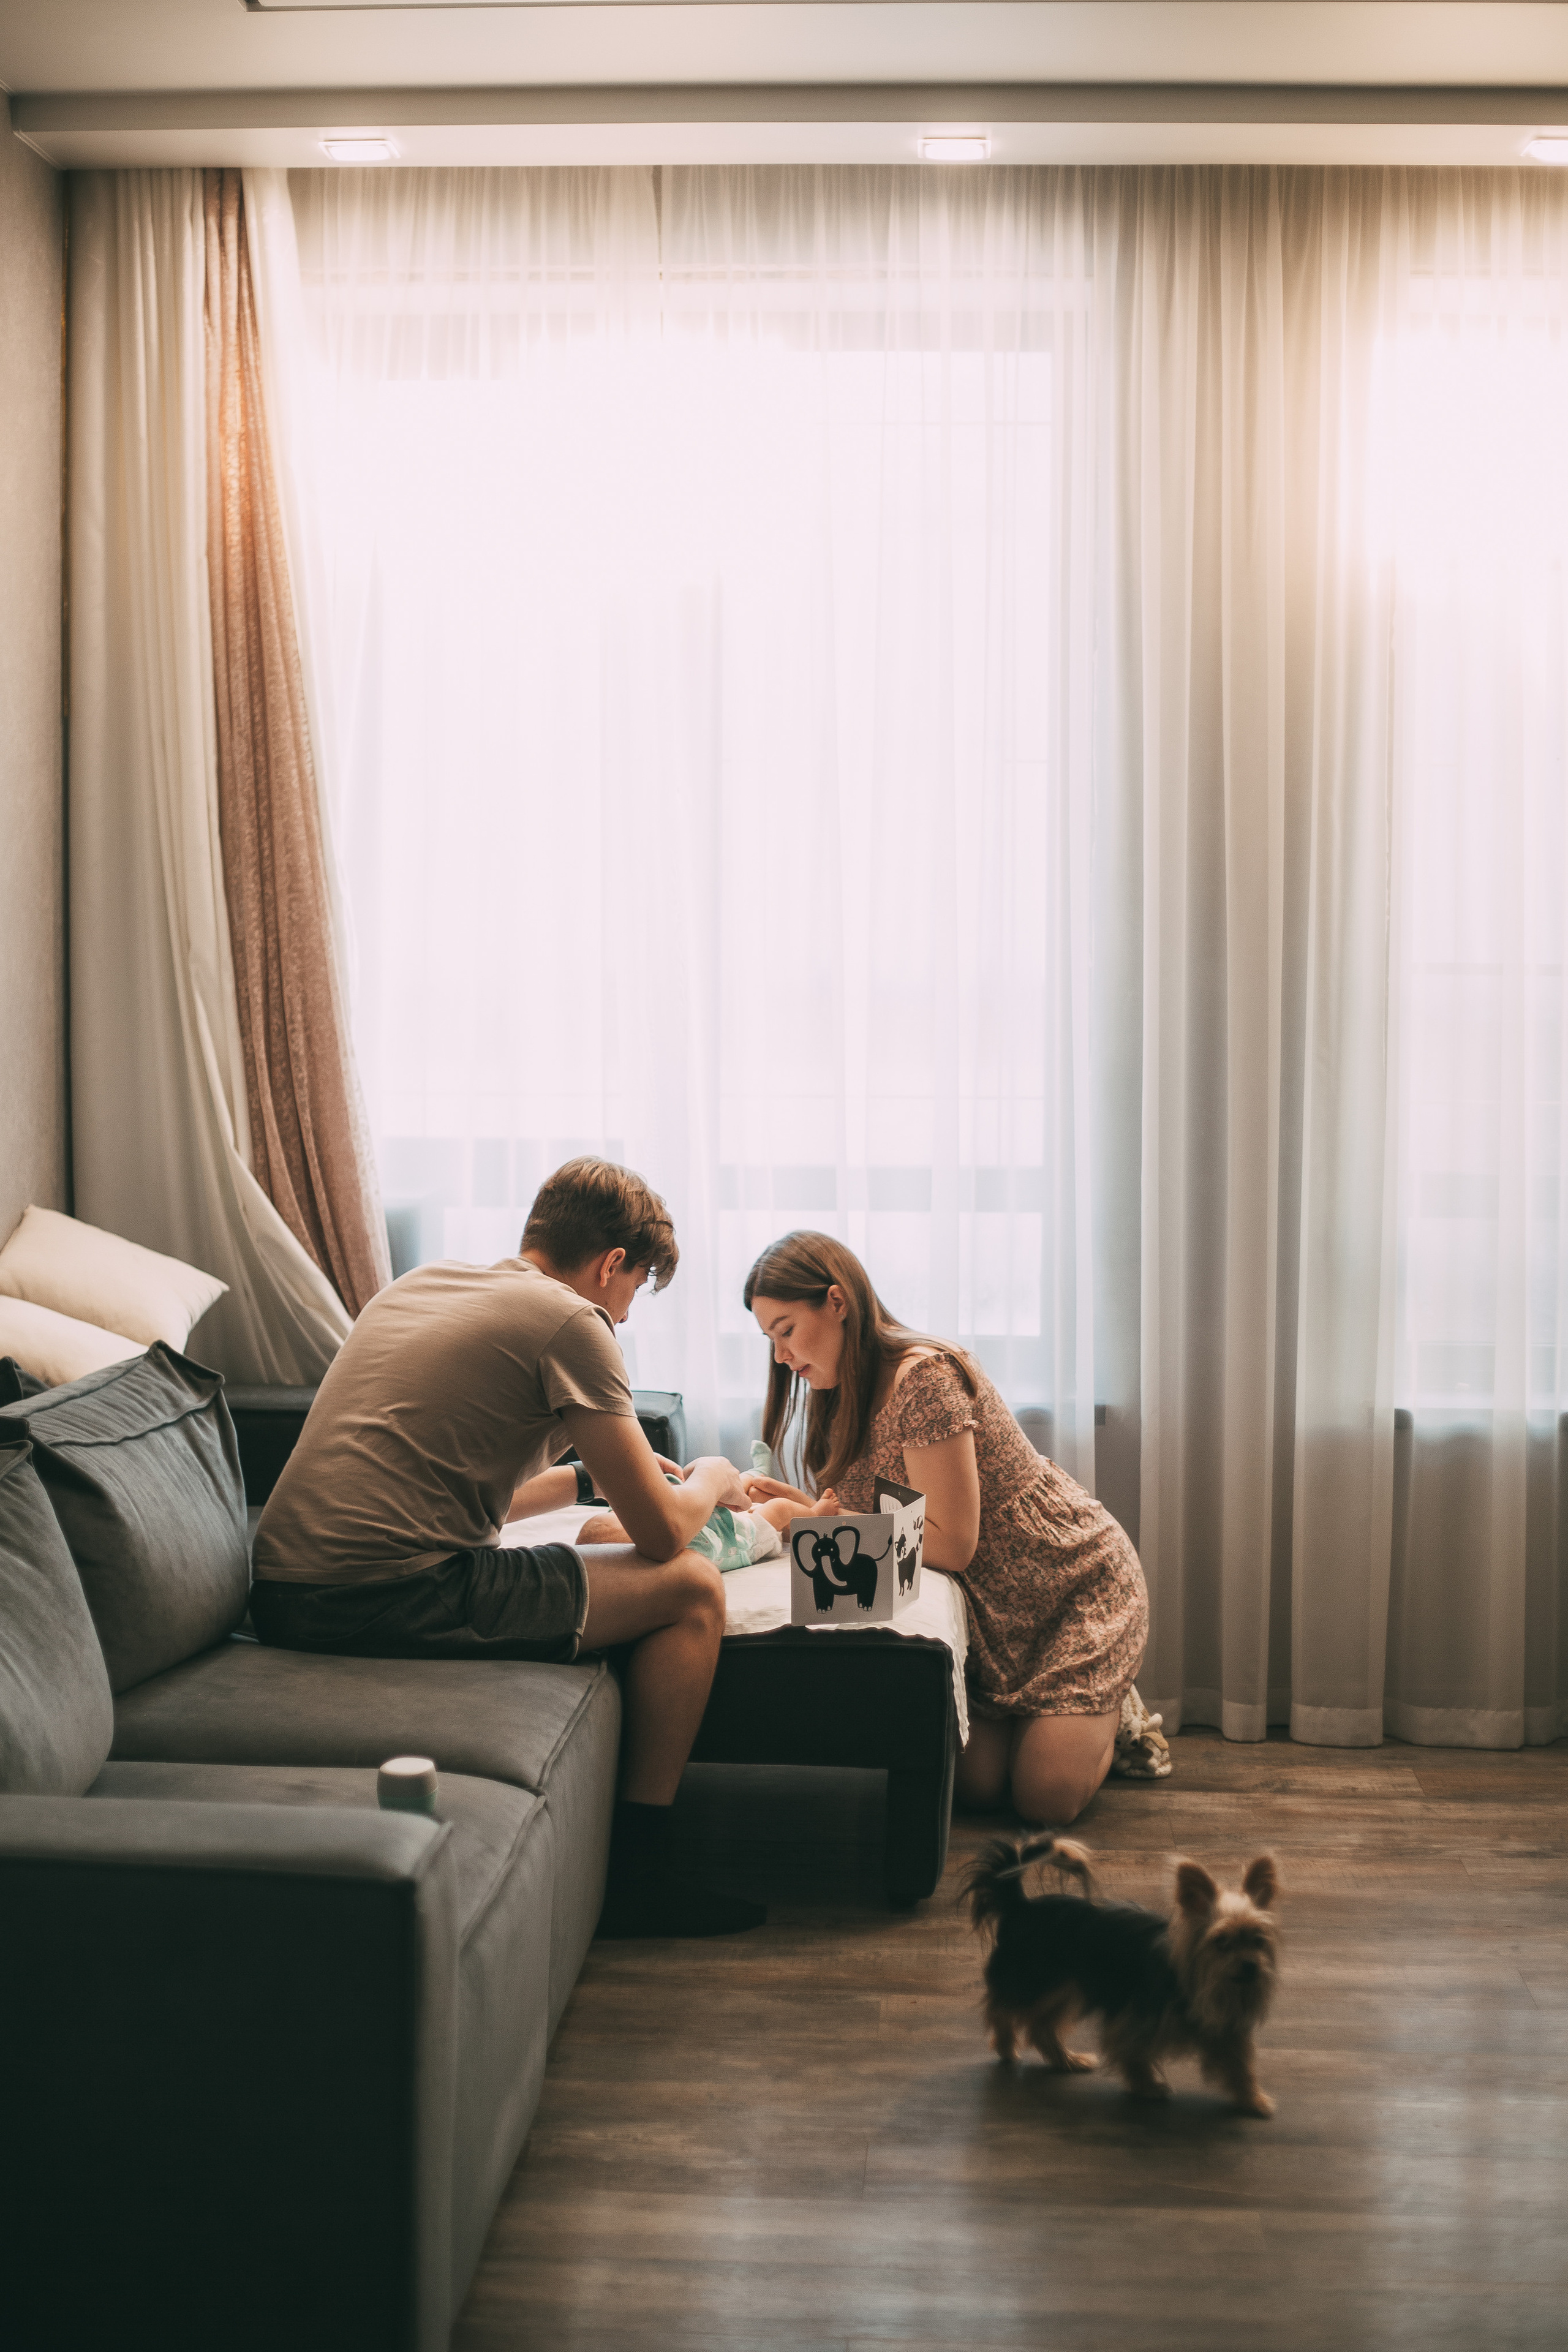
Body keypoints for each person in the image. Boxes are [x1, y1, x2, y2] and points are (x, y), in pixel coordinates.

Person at [251, 1156, 763, 1939]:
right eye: (629, 1299)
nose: (622, 1320)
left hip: (285, 1588)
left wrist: (584, 1482)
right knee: (692, 1587)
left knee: (620, 1556)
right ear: (611, 1264)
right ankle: (639, 1875)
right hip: (384, 1597)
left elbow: (452, 1493)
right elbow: (662, 1534)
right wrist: (716, 1476)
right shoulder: (573, 1323)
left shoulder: (423, 1285)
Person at [741, 1232, 1150, 1826]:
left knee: (1043, 1800)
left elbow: (953, 1544)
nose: (781, 1357)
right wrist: (808, 1512)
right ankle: (1046, 1719)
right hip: (988, 1617)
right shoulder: (834, 1392)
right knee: (979, 1788)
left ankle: (1119, 1708)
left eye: (785, 1330)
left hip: (1069, 1586)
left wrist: (814, 1522)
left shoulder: (924, 1377)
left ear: (836, 1302)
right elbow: (892, 1526)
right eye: (768, 1339)